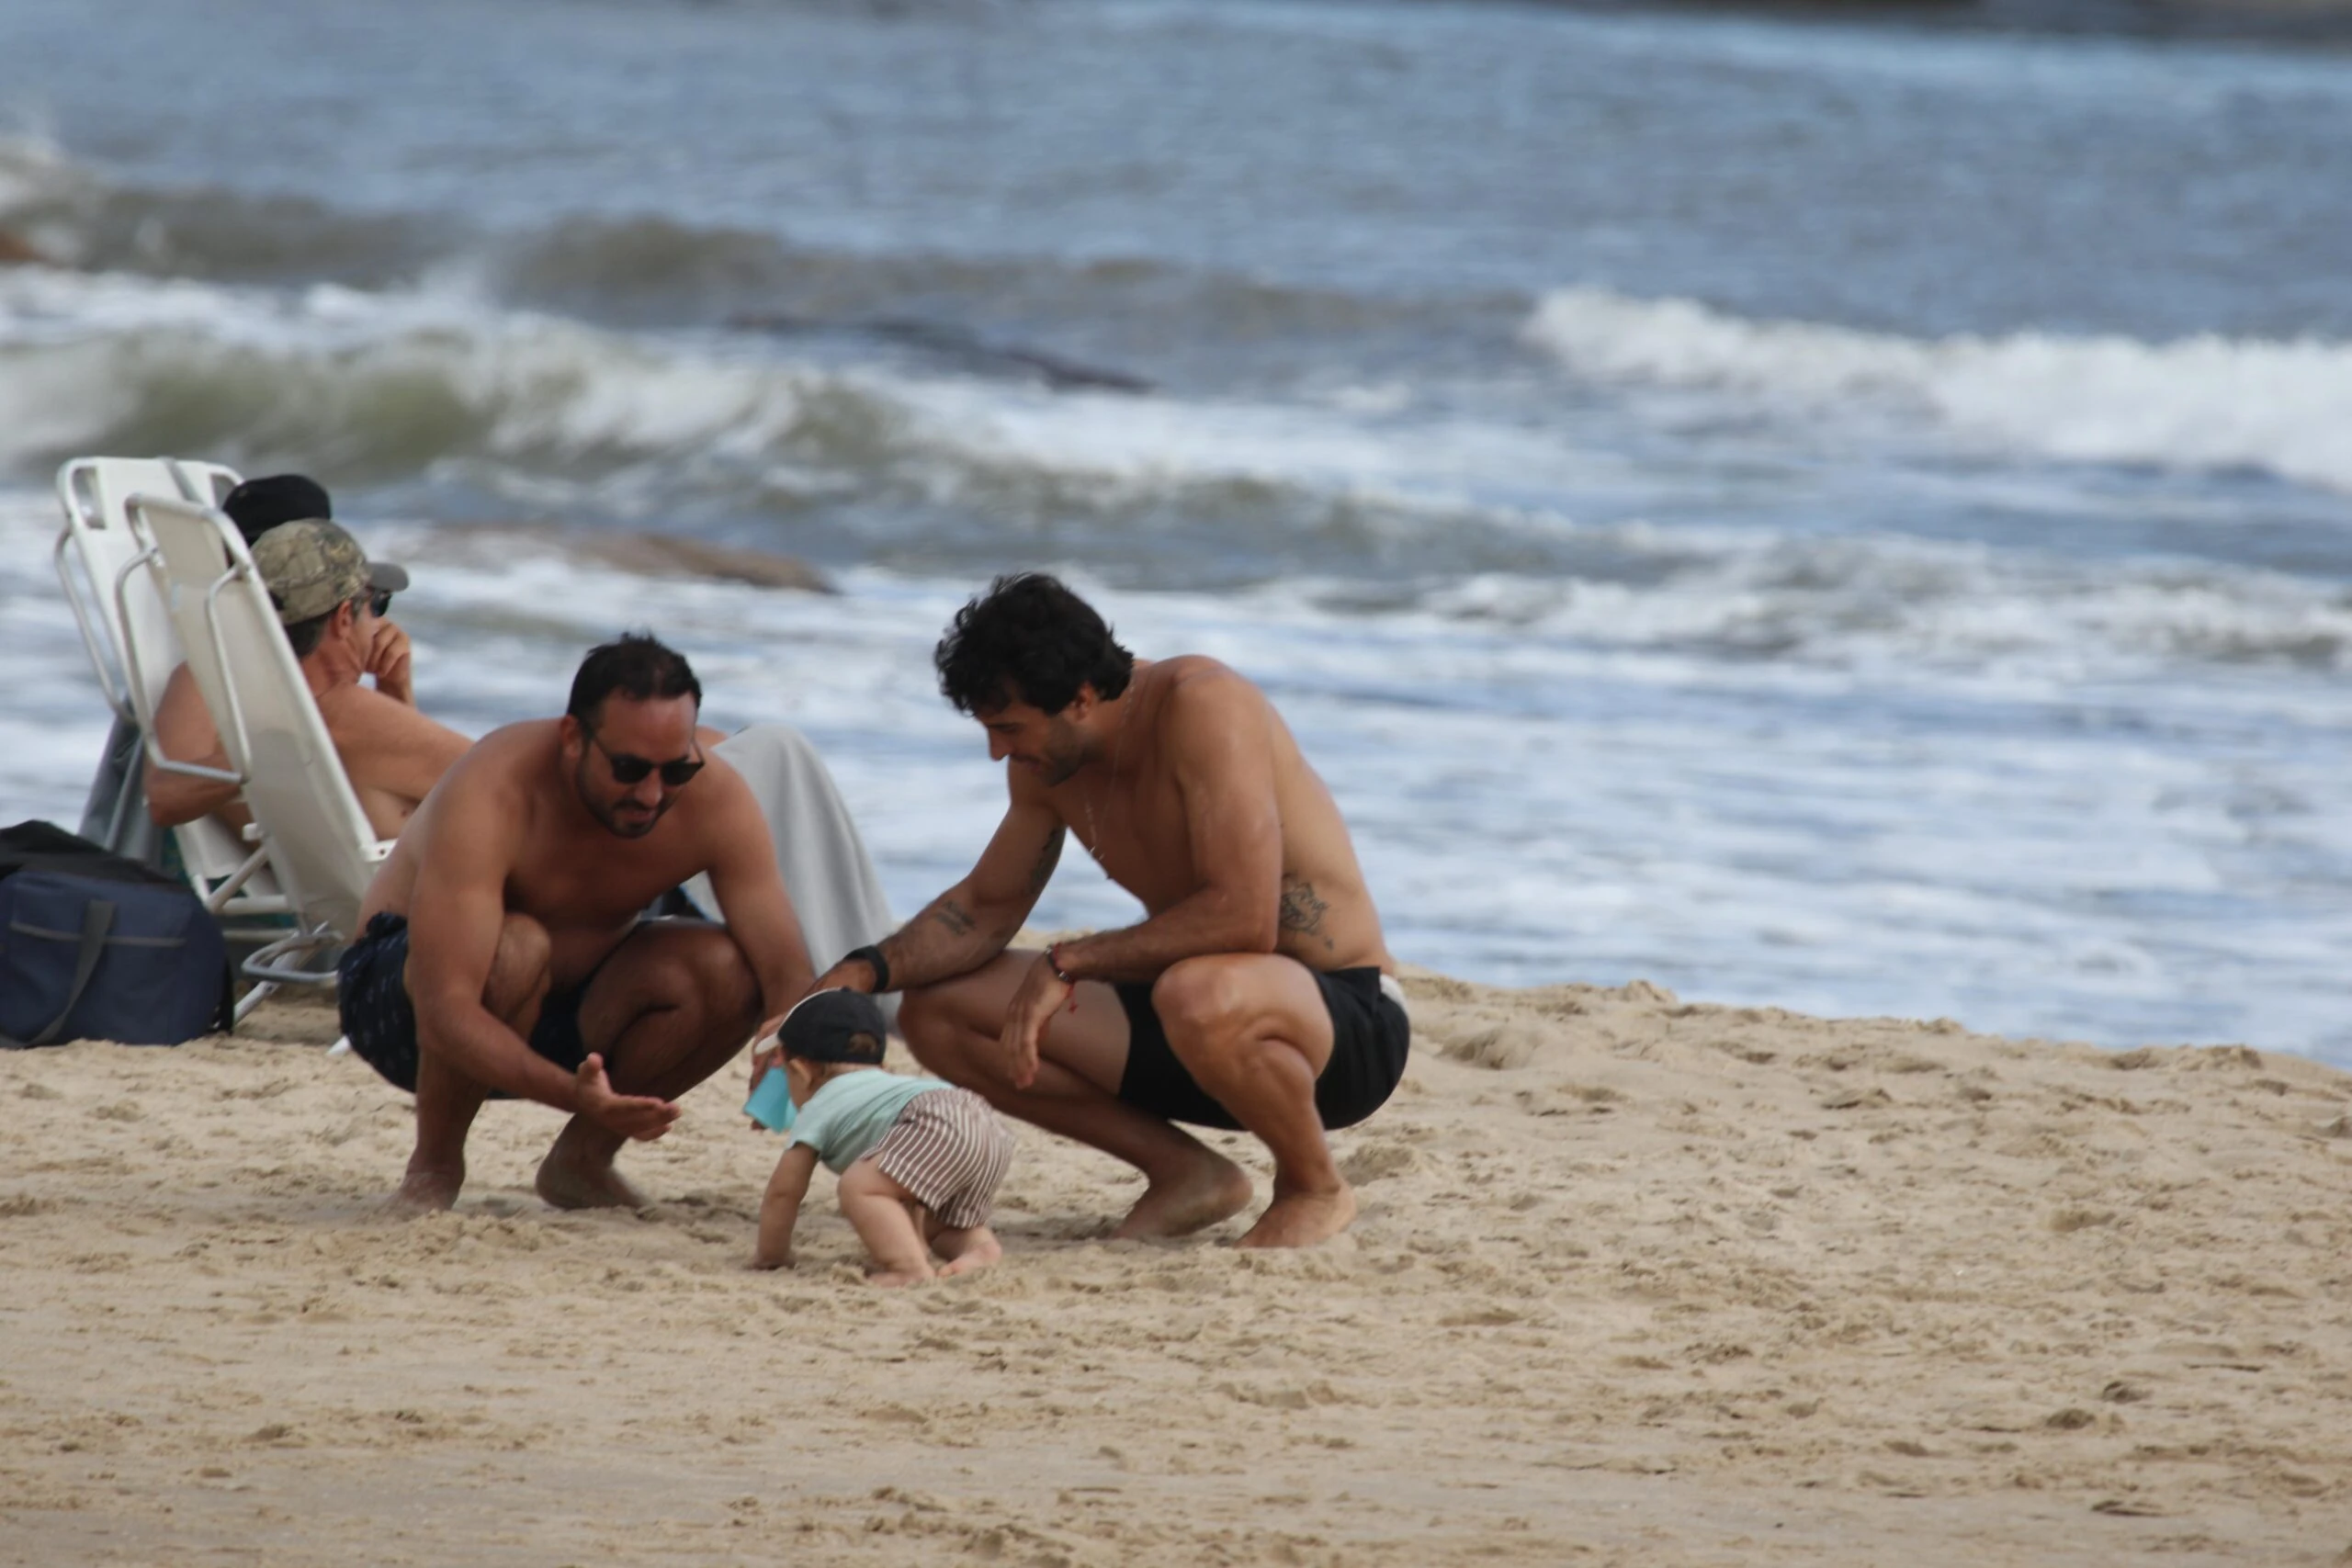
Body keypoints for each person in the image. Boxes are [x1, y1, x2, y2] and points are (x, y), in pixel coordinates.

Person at [807, 573, 1409, 1249]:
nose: (997, 751)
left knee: (1197, 989)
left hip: (1344, 1027)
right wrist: (857, 974)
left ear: (1082, 697)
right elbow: (985, 907)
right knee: (934, 1010)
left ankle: (1314, 1186)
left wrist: (1071, 959)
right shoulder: (1048, 767)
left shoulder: (1204, 704)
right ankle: (1187, 1173)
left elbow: (1244, 917)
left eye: (1008, 728)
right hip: (1193, 1022)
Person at [337, 633, 814, 1213]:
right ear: (572, 739)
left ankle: (581, 1163)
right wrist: (577, 1096)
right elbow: (446, 1009)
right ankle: (434, 1166)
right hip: (406, 1011)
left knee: (727, 968)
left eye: (676, 770)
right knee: (516, 947)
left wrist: (789, 1060)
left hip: (572, 1013)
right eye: (630, 768)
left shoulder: (713, 799)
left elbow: (786, 975)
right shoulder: (496, 788)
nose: (652, 793)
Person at [144, 479, 442, 840]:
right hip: (390, 879)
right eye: (373, 602)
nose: (380, 619)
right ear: (343, 615)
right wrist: (296, 741)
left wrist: (394, 688)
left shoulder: (327, 704)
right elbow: (165, 798)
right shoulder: (217, 681)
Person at [749, 988, 1012, 1286]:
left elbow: (784, 1193)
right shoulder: (885, 1087)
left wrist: (771, 1256)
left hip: (935, 1120)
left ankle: (908, 1269)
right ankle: (978, 1248)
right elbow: (906, 1195)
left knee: (860, 1187)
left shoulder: (821, 1103)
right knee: (940, 1227)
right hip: (986, 1125)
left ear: (800, 1070)